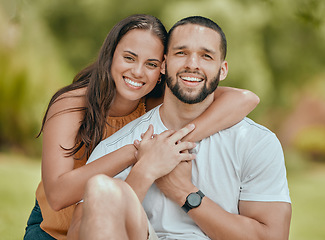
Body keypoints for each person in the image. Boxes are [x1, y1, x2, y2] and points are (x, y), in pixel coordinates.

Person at [23, 14, 260, 240]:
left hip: (113, 229)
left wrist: (172, 142)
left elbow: (246, 99)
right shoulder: (73, 104)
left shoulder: (153, 101)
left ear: (162, 69)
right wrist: (137, 152)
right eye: (129, 58)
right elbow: (57, 196)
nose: (137, 72)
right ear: (110, 56)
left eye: (151, 63)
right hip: (53, 230)